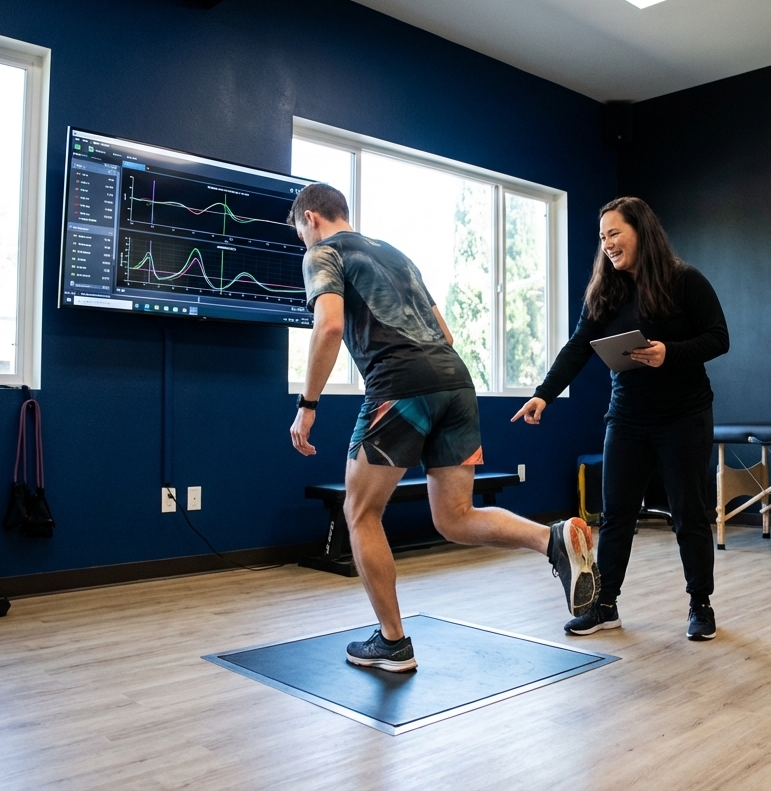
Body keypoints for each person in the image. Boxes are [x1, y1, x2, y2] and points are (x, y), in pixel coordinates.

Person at [288, 183, 598, 673]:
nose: (304, 243)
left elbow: (327, 327)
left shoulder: (323, 253)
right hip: (456, 381)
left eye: (301, 233)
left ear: (310, 218)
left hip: (399, 386)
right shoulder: (395, 254)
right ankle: (551, 539)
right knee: (453, 517)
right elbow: (446, 334)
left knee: (361, 510)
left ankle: (392, 643)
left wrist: (308, 405)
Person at [512, 196, 729, 641]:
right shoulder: (606, 292)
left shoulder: (684, 280)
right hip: (627, 416)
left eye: (615, 233)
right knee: (615, 515)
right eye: (603, 237)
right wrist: (544, 395)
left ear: (641, 232)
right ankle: (605, 604)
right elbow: (578, 347)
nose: (607, 244)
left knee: (688, 513)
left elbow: (718, 338)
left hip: (683, 415)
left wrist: (670, 353)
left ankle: (700, 605)